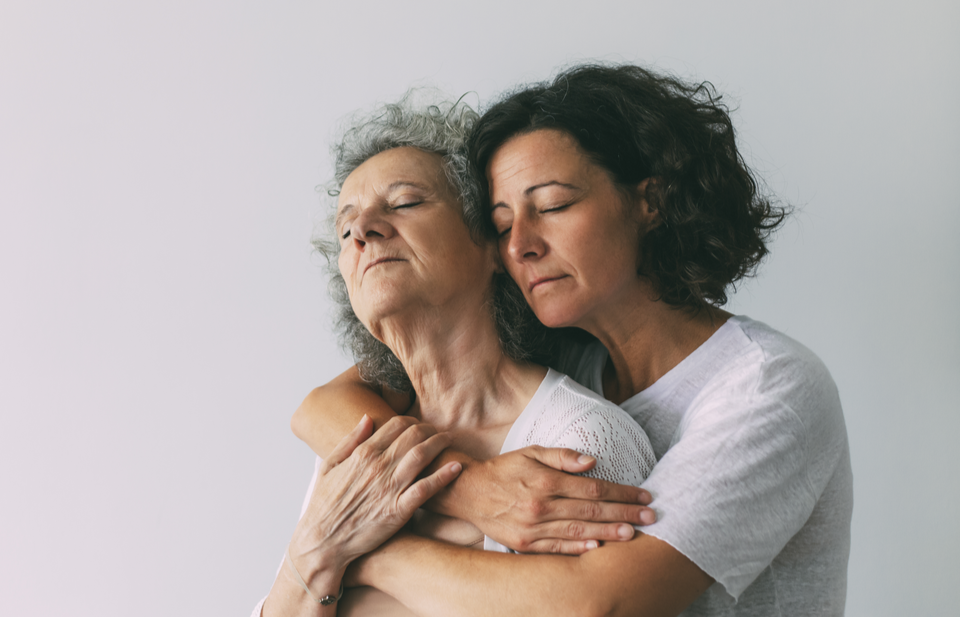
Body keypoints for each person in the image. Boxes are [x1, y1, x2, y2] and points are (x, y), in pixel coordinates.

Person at [294, 65, 853, 615]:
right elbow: (323, 408)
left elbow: (599, 603)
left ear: (650, 202)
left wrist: (352, 551)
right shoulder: (562, 348)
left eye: (555, 206)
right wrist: (470, 488)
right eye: (503, 222)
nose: (521, 246)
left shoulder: (765, 387)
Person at [257, 95, 656, 616]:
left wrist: (347, 554)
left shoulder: (579, 440)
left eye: (404, 203)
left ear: (490, 242)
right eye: (345, 226)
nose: (363, 231)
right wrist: (315, 552)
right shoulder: (358, 440)